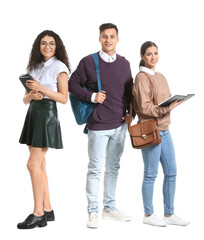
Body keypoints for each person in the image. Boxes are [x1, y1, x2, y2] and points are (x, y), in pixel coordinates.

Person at [69, 23, 133, 228]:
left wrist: (131, 114)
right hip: (98, 125)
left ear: (117, 39)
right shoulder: (89, 62)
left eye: (112, 37)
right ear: (99, 38)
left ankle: (109, 208)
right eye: (104, 36)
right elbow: (72, 84)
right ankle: (93, 212)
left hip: (120, 125)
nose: (108, 40)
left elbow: (129, 92)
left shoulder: (124, 63)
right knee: (95, 169)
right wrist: (92, 96)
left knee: (113, 168)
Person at [132, 41, 190, 227]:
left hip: (165, 130)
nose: (153, 57)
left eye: (156, 53)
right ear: (142, 56)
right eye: (149, 54)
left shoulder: (161, 76)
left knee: (172, 173)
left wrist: (173, 104)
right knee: (150, 174)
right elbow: (144, 108)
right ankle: (148, 215)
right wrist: (167, 109)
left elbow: (164, 102)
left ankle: (169, 213)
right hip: (150, 131)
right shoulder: (141, 78)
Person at [17, 30, 71, 229]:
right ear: (38, 46)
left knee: (32, 165)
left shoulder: (60, 67)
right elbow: (24, 99)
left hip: (47, 115)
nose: (47, 46)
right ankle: (47, 208)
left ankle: (38, 213)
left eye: (51, 43)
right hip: (33, 112)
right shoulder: (35, 66)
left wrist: (42, 89)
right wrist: (32, 95)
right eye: (43, 43)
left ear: (57, 46)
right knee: (40, 165)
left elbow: (64, 98)